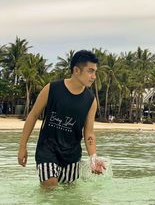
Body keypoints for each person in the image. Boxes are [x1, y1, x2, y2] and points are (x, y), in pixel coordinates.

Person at [18, 50, 105, 189]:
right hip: (47, 149)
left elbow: (89, 133)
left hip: (72, 154)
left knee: (68, 192)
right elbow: (33, 115)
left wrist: (93, 159)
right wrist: (23, 146)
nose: (94, 76)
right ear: (76, 70)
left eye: (95, 72)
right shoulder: (52, 88)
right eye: (90, 71)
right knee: (50, 184)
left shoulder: (90, 100)